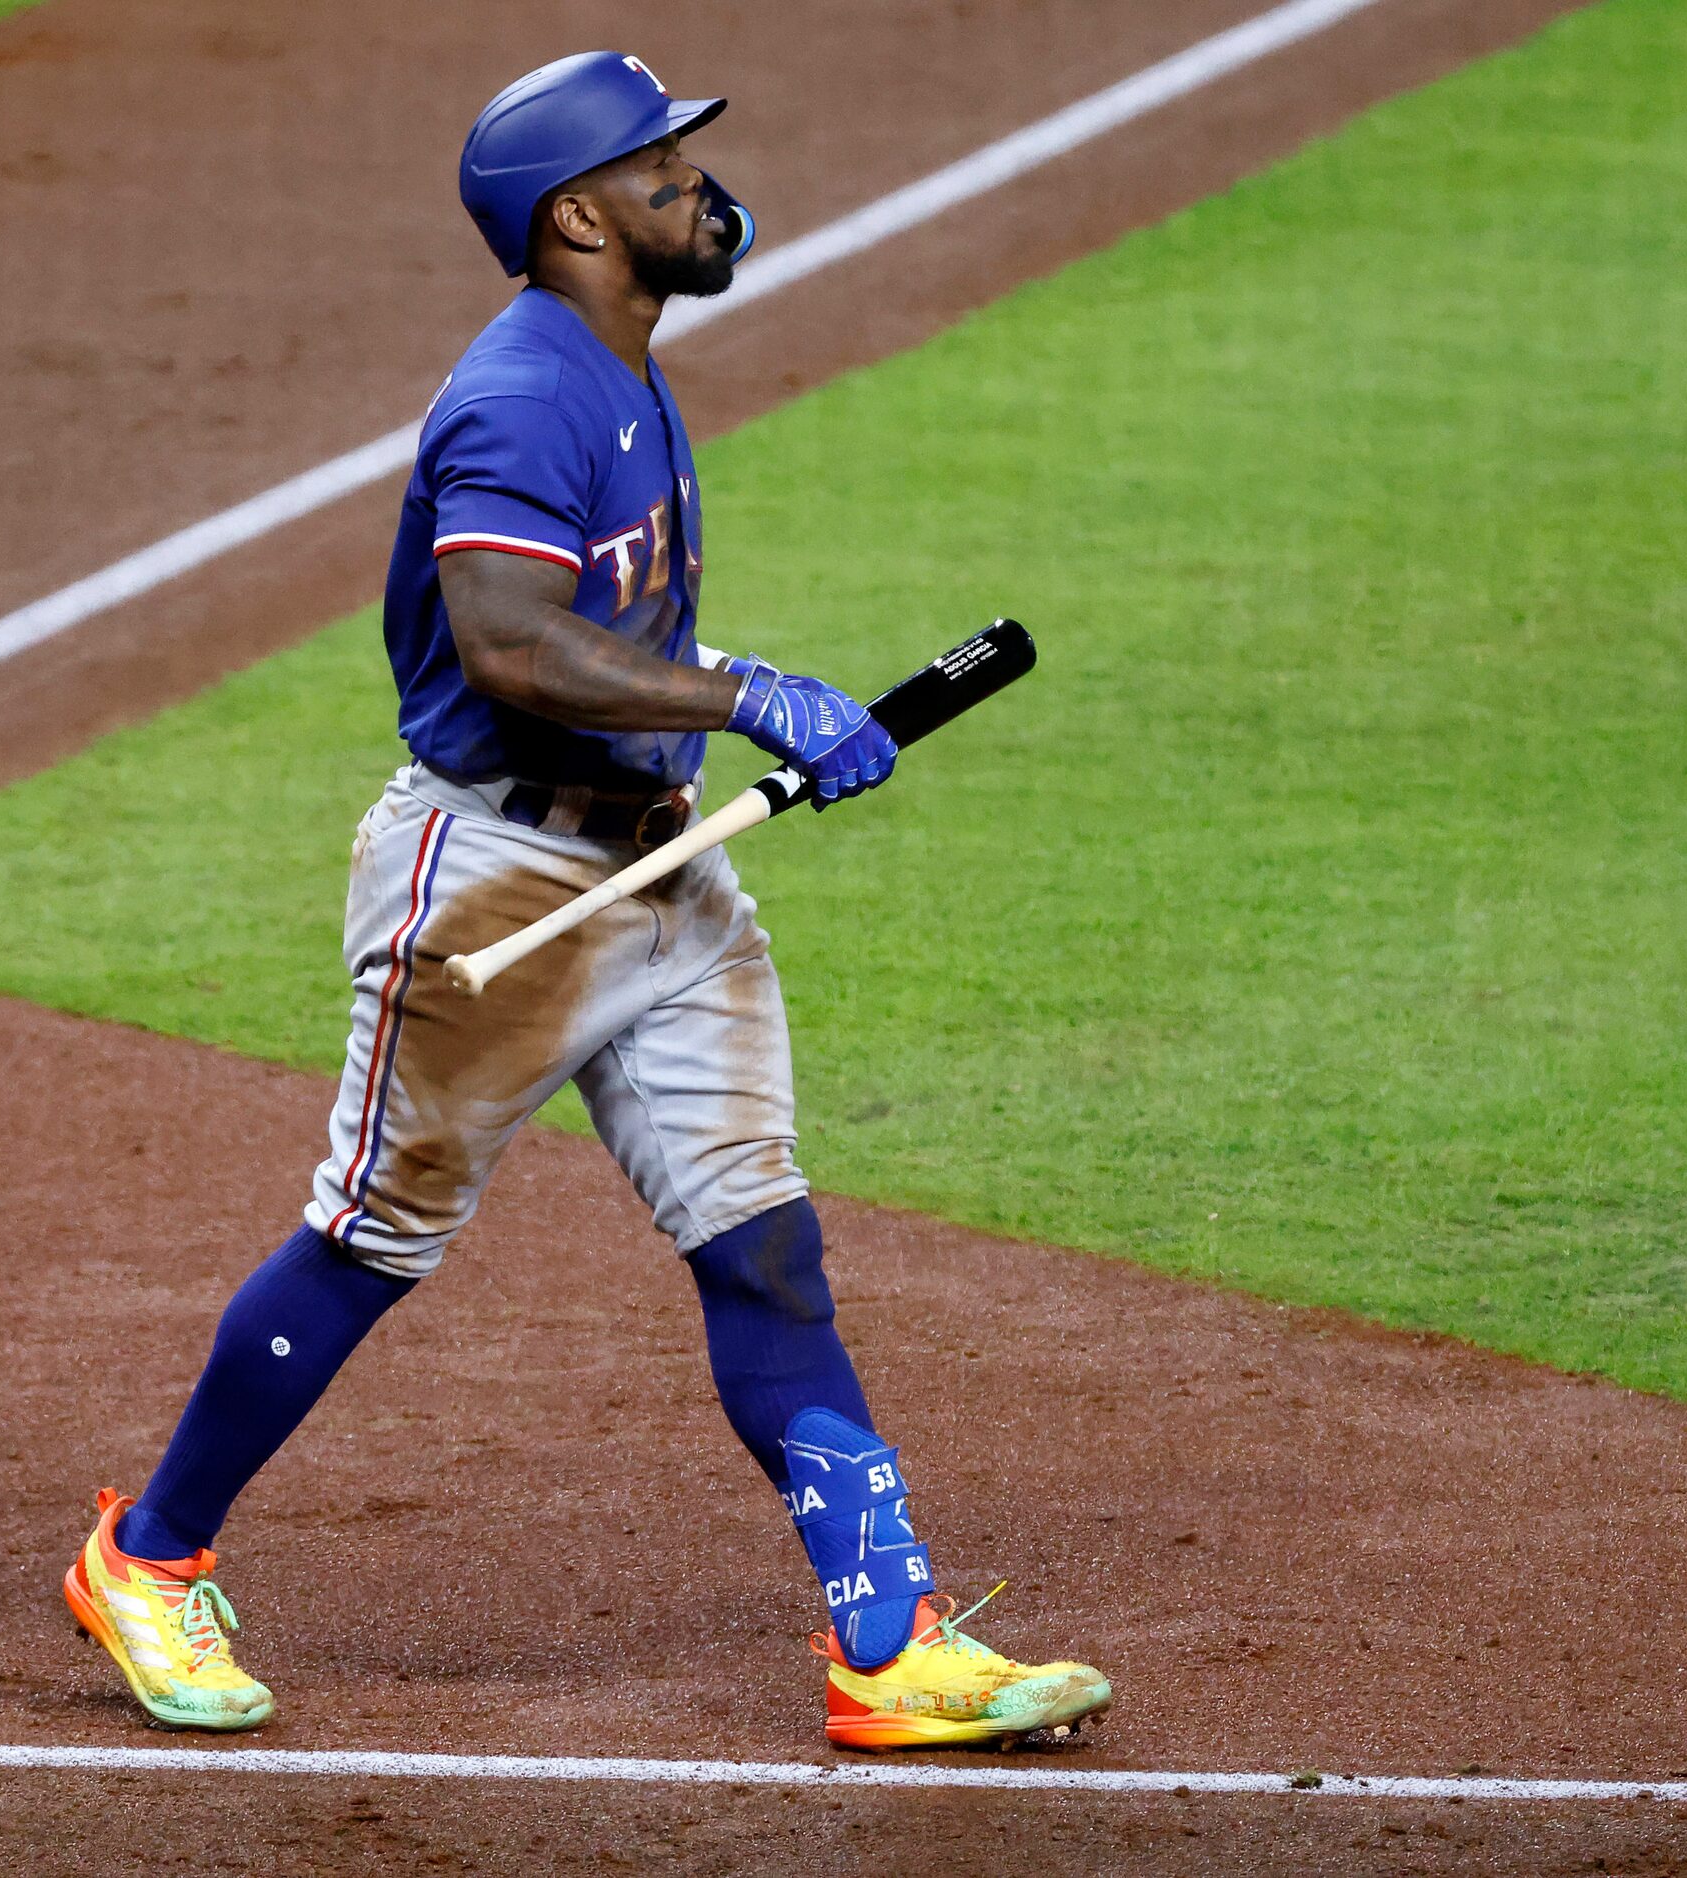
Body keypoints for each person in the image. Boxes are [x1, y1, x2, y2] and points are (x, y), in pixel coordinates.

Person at [64, 49, 1112, 1750]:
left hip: (659, 871)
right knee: (370, 1238)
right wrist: (748, 692)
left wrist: (721, 706)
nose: (700, 184)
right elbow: (505, 640)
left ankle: (891, 1640)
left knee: (762, 1245)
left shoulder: (621, 365)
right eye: (663, 166)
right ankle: (148, 1553)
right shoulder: (527, 394)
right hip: (496, 887)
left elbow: (602, 636)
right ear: (578, 216)